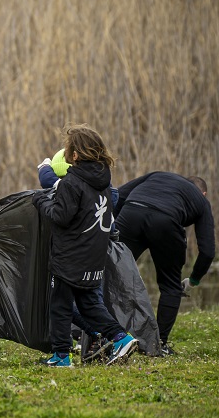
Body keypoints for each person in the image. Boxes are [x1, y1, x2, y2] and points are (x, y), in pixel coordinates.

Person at [32, 124, 138, 367]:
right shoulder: (103, 182)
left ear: (76, 155)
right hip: (93, 254)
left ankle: (61, 356)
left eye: (69, 149)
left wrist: (40, 201)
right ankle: (121, 338)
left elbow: (61, 216)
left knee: (59, 305)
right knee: (89, 305)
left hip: (69, 255)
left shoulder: (73, 182)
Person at [114, 172, 215, 356]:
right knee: (170, 286)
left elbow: (118, 194)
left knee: (112, 275)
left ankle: (103, 336)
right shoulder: (201, 201)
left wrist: (111, 227)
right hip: (165, 221)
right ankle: (158, 345)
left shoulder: (159, 176)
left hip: (132, 212)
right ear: (204, 194)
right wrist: (192, 281)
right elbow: (208, 251)